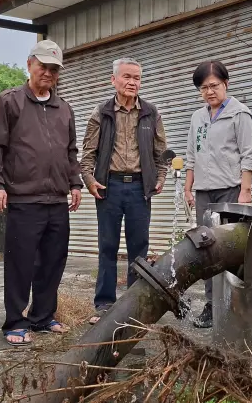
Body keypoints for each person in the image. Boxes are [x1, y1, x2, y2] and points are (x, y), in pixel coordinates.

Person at [0, 40, 83, 346]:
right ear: (29, 64)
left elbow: (70, 151)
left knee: (53, 261)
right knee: (20, 263)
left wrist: (76, 183)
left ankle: (43, 316)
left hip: (56, 199)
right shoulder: (8, 101)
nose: (48, 73)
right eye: (43, 66)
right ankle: (15, 321)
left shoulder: (63, 108)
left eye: (54, 69)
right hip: (24, 198)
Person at [80, 57, 168, 325]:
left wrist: (160, 177)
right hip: (110, 186)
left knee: (138, 247)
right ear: (114, 80)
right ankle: (105, 304)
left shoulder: (151, 113)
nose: (132, 82)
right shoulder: (102, 112)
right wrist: (89, 180)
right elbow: (88, 154)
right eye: (127, 77)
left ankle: (134, 303)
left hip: (140, 187)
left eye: (137, 78)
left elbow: (161, 152)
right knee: (107, 245)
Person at [183, 60, 252, 329]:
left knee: (233, 250)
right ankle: (213, 306)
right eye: (203, 88)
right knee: (207, 251)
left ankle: (241, 305)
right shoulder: (197, 117)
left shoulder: (240, 114)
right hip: (204, 191)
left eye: (214, 86)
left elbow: (249, 156)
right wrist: (188, 188)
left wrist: (245, 192)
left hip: (230, 191)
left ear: (226, 83)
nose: (209, 92)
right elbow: (192, 155)